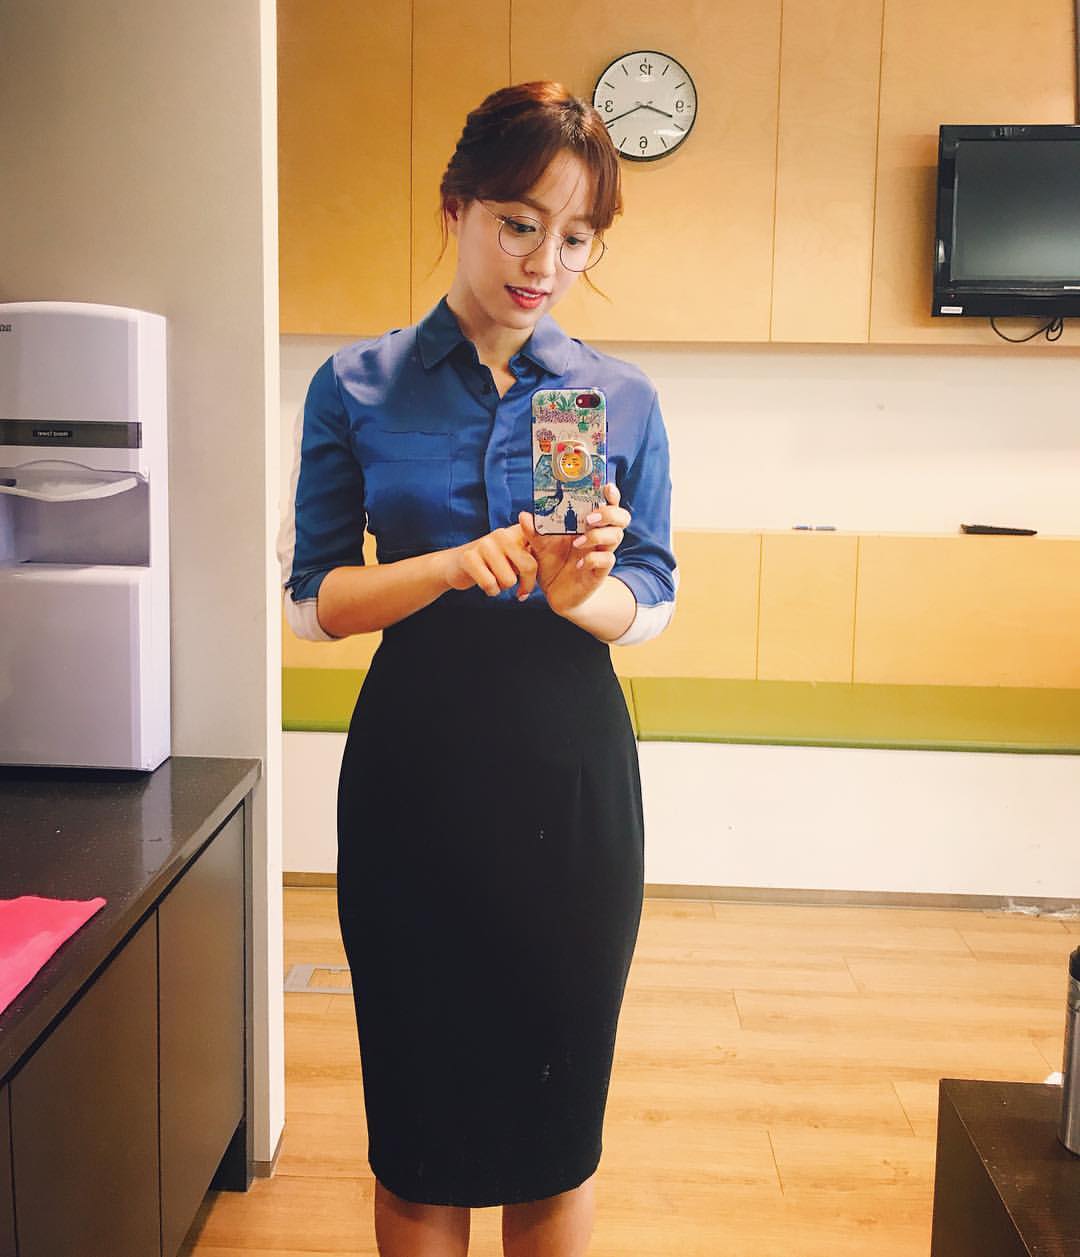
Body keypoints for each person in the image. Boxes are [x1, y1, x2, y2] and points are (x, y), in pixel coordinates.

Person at [279, 81, 678, 1257]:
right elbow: (314, 603)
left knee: (555, 1126)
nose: (544, 262)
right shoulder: (357, 384)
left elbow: (654, 594)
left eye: (576, 237)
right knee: (420, 1128)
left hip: (570, 779)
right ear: (455, 207)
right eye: (518, 223)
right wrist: (449, 566)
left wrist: (582, 594)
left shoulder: (616, 397)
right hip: (415, 773)